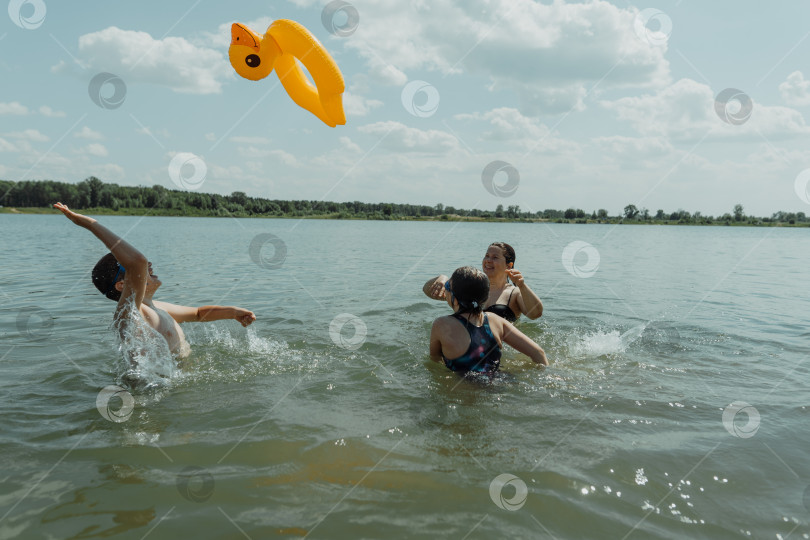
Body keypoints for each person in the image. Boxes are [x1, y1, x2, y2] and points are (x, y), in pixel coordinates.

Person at [53, 203, 256, 362]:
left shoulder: (156, 307)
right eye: (133, 271)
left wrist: (232, 312)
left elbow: (198, 314)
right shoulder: (129, 313)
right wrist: (88, 223)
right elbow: (137, 262)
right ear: (122, 285)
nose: (148, 265)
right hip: (149, 393)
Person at [429, 266, 548, 373]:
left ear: (455, 300)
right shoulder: (496, 320)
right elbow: (538, 353)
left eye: (447, 287)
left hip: (465, 391)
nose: (446, 289)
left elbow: (435, 360)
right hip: (500, 384)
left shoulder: (441, 324)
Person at [422, 242, 543, 322]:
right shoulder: (471, 286)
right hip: (467, 343)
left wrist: (522, 285)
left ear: (509, 265)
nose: (488, 260)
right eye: (487, 256)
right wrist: (443, 279)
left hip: (502, 347)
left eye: (495, 257)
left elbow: (535, 314)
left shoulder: (514, 293)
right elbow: (427, 291)